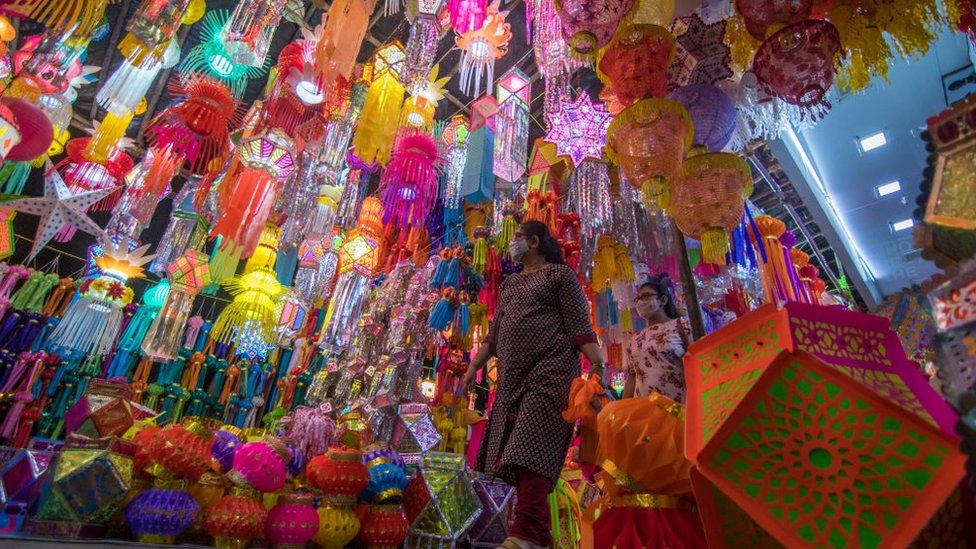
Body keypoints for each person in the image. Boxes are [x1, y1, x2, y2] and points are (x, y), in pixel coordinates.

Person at [462, 220, 605, 549]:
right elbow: (495, 335)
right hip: (512, 379)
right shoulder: (510, 284)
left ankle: (524, 532)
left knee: (530, 447)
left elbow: (579, 326)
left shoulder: (559, 275)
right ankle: (538, 536)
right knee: (510, 453)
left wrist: (598, 365)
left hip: (550, 373)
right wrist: (474, 366)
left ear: (535, 242)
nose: (512, 245)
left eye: (518, 238)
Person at [622, 275, 689, 401]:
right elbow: (632, 378)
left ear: (663, 300)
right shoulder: (634, 339)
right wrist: (621, 409)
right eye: (638, 298)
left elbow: (698, 363)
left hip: (678, 408)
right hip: (643, 411)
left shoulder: (681, 326)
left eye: (646, 296)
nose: (640, 301)